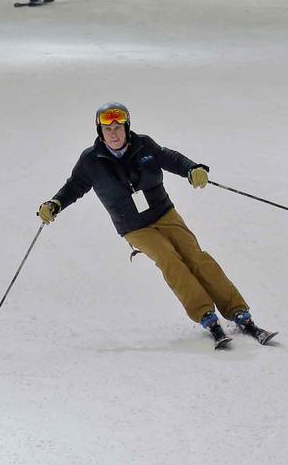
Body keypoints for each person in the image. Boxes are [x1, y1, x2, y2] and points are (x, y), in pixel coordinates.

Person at [38, 103, 273, 347]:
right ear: (100, 132)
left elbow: (170, 158)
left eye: (118, 127)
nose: (114, 134)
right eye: (108, 130)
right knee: (169, 258)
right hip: (134, 225)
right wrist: (54, 203)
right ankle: (206, 314)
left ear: (127, 127)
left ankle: (239, 312)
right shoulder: (90, 161)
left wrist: (193, 169)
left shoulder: (143, 145)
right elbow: (74, 186)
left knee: (195, 256)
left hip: (164, 213)